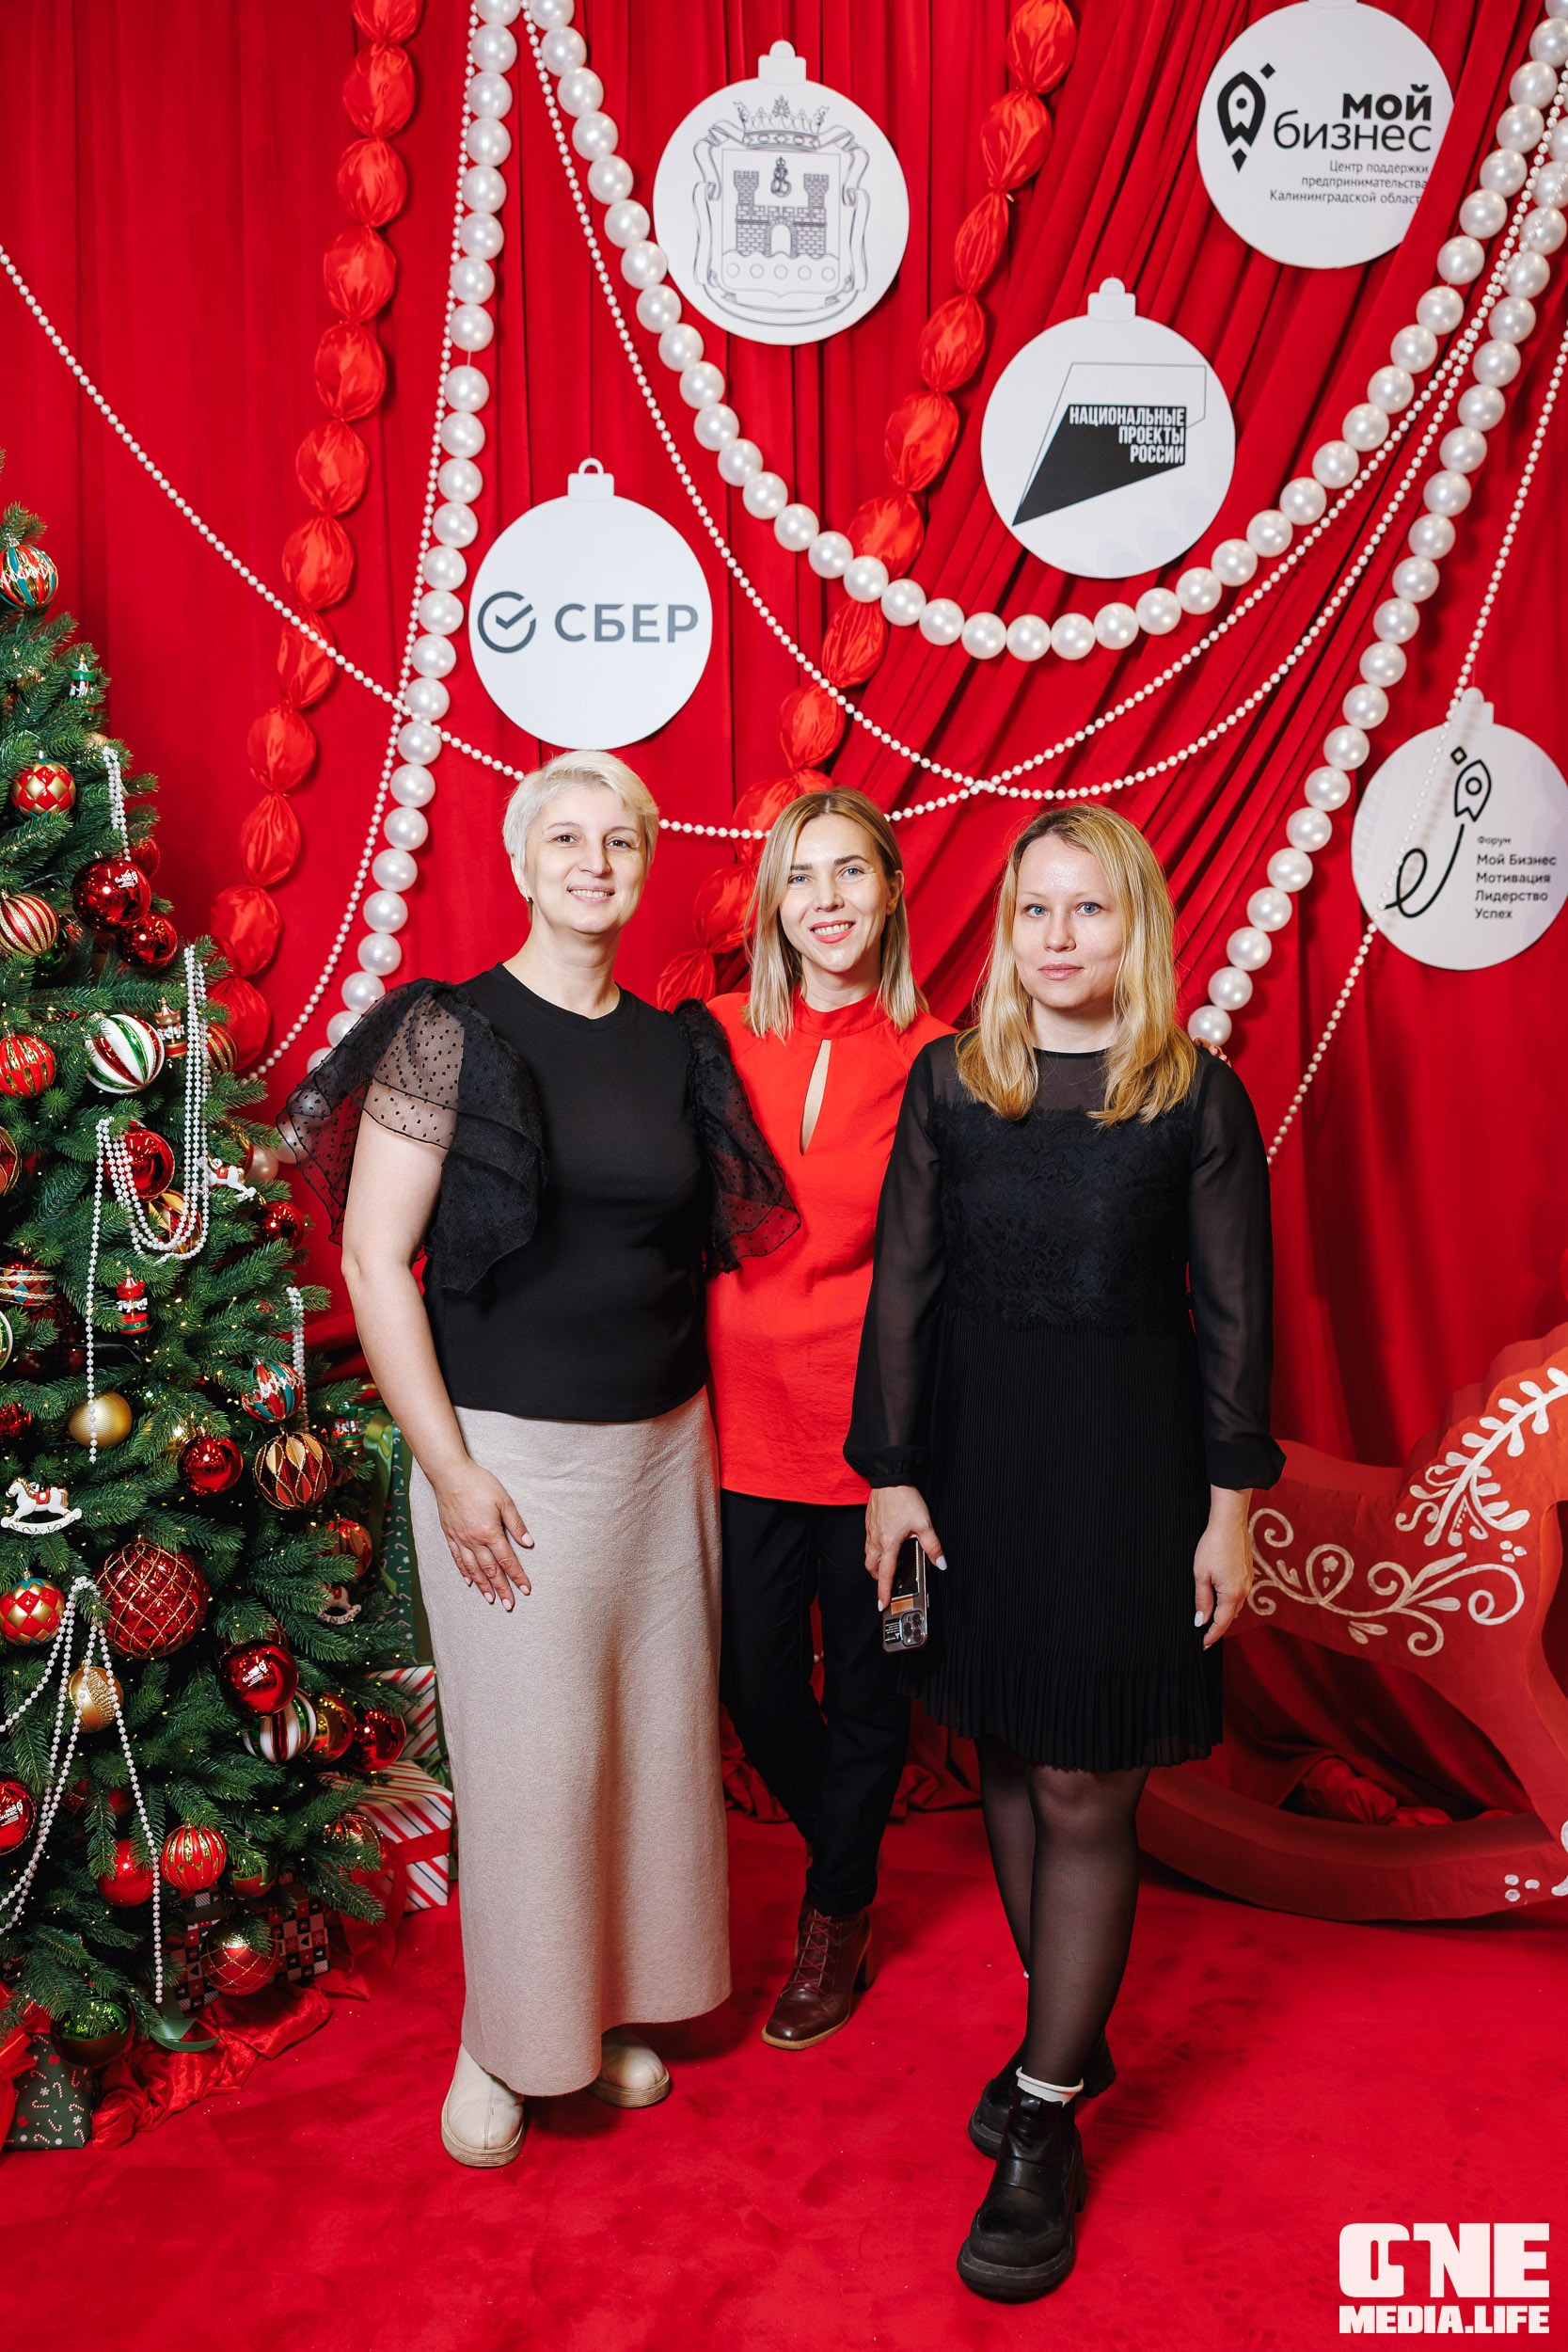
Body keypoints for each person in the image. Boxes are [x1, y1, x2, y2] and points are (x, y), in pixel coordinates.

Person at [282, 749, 795, 2169]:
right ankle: (503, 2039)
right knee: (533, 1768)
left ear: (644, 868)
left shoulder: (675, 1046)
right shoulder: (448, 1034)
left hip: (663, 1451)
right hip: (509, 1457)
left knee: (641, 1753)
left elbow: (698, 1259)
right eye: (565, 838)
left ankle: (600, 2008)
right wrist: (450, 1471)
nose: (593, 863)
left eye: (618, 842)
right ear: (519, 863)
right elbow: (374, 1264)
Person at [847, 804, 1283, 2302]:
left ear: (1134, 927)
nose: (1057, 935)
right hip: (979, 1462)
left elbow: (1236, 1320)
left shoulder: (1196, 1097)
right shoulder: (953, 1084)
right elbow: (904, 1285)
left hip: (1127, 1473)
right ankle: (1067, 2046)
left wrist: (1230, 1506)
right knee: (1012, 1750)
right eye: (1035, 909)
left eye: (1088, 909)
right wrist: (891, 1477)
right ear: (1007, 931)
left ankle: (1043, 2114)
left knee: (1091, 1776)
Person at [705, 788, 949, 2049]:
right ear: (772, 905)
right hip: (738, 1425)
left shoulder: (942, 1059)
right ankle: (844, 1850)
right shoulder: (709, 1038)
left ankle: (837, 1912)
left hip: (877, 1440)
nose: (828, 901)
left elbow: (954, 1267)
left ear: (890, 892)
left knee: (869, 1691)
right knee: (753, 1683)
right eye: (802, 878)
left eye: (852, 873)